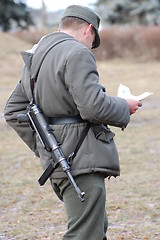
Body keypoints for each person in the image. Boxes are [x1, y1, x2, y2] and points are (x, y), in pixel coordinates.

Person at [4, 5, 142, 240]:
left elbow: (13, 110)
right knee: (85, 234)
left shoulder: (36, 56)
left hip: (60, 162)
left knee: (94, 229)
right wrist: (124, 106)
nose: (90, 48)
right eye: (93, 42)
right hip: (81, 160)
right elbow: (93, 107)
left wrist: (46, 146)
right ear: (89, 30)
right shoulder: (77, 52)